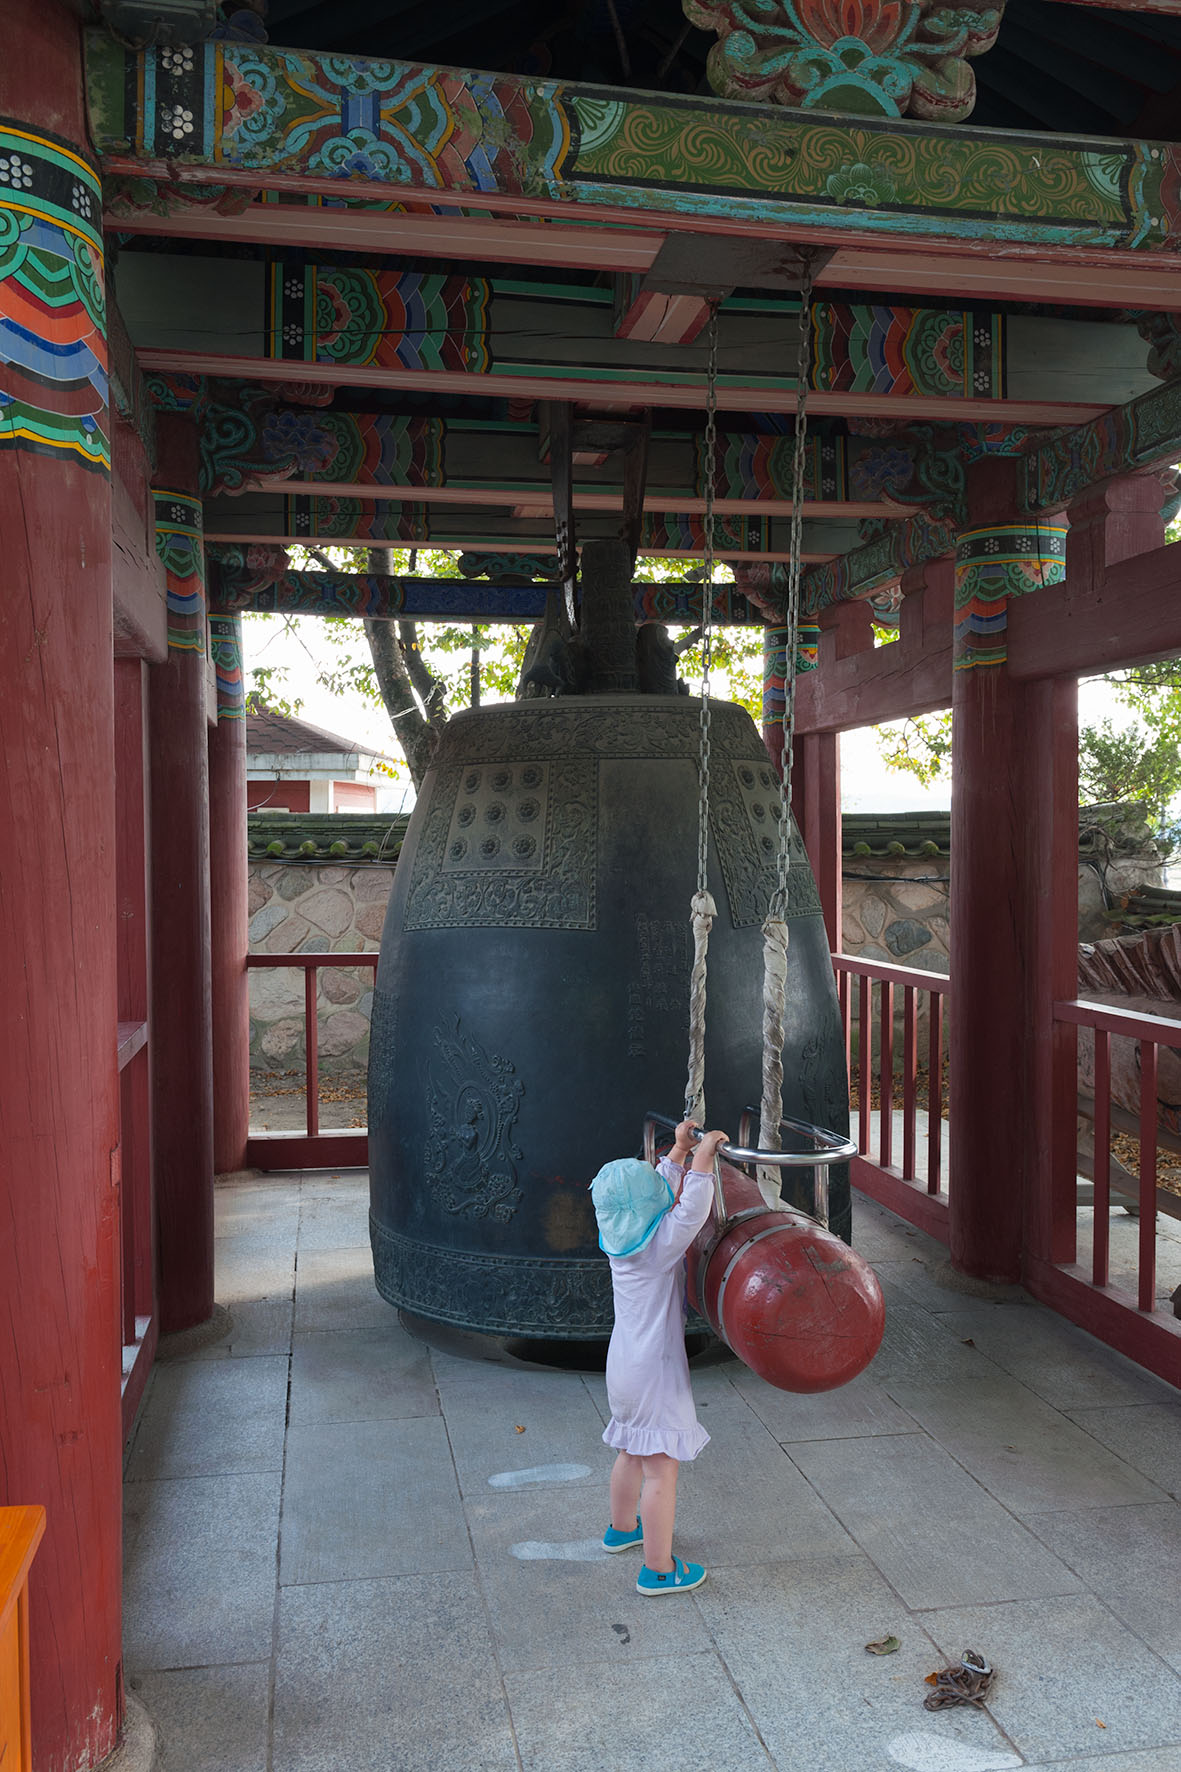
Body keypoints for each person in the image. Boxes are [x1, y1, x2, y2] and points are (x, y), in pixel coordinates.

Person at [589, 1119, 729, 1596]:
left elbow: (655, 1202)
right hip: (655, 1374)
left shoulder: (620, 1243)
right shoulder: (658, 1249)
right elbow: (687, 1213)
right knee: (661, 1469)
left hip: (623, 1368)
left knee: (631, 1450)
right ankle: (659, 1568)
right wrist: (704, 1157)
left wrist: (676, 1153)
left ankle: (621, 1530)